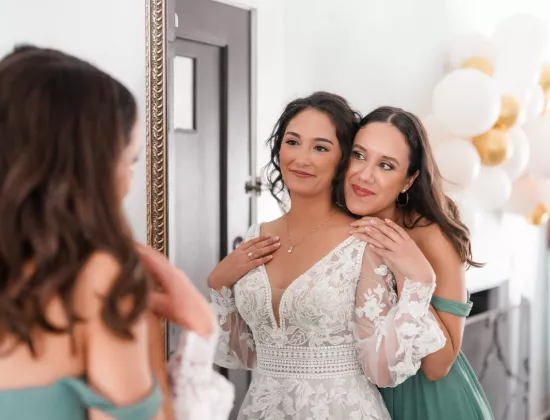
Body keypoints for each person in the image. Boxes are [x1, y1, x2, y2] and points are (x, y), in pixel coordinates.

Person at [0, 45, 230, 420]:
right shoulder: (97, 281)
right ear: (89, 166)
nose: (128, 181)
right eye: (130, 160)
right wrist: (198, 329)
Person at [207, 92, 446, 419]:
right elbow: (243, 354)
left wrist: (420, 282)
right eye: (293, 142)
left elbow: (381, 370)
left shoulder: (363, 243)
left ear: (343, 159)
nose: (301, 158)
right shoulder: (255, 237)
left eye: (320, 147)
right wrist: (219, 285)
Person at [345, 106, 494, 420]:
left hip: (427, 402)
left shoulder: (431, 237)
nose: (365, 175)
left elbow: (439, 366)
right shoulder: (337, 224)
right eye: (359, 155)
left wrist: (411, 275)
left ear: (408, 180)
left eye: (386, 165)